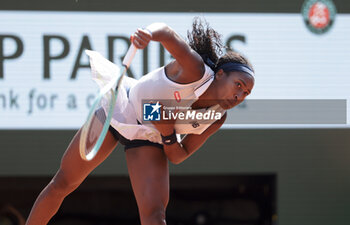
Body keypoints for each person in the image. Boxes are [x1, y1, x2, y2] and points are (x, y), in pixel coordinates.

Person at [25, 18, 255, 225]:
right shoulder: (194, 69)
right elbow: (165, 32)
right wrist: (147, 33)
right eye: (239, 85)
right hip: (122, 108)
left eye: (245, 93)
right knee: (63, 183)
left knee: (154, 216)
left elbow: (177, 154)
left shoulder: (216, 117)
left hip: (150, 136)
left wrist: (167, 133)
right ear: (221, 74)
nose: (239, 96)